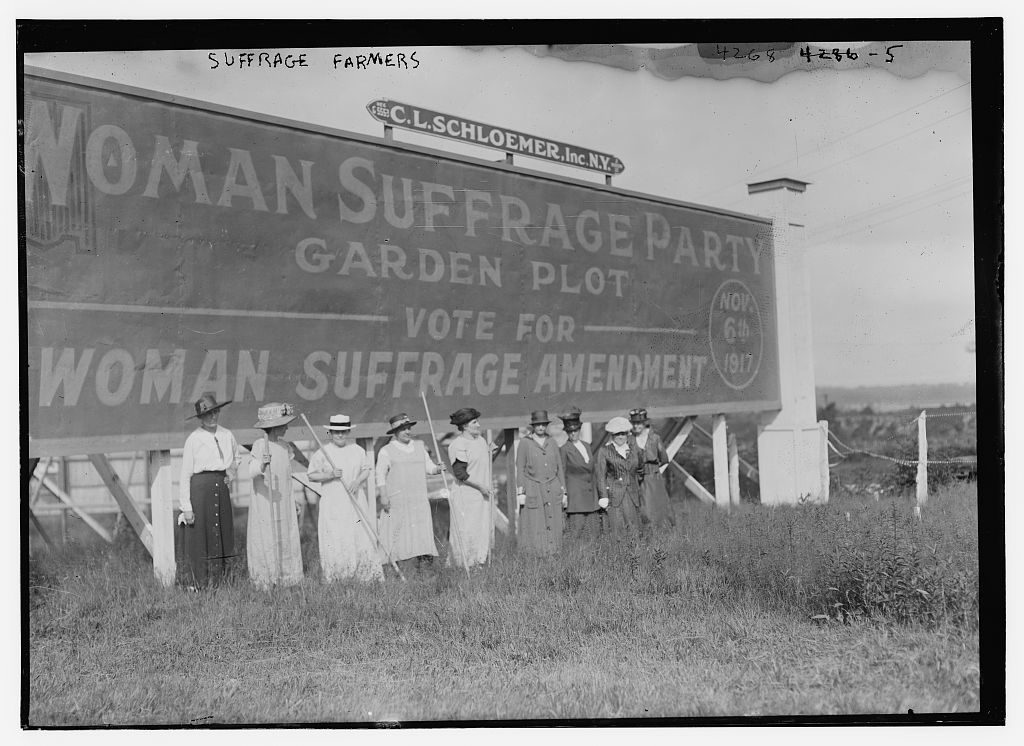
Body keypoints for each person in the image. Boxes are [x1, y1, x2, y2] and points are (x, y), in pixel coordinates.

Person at [178, 393, 246, 588]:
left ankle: (223, 581)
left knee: (223, 530)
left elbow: (236, 458)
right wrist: (187, 506)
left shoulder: (227, 434)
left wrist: (231, 473)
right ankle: (200, 581)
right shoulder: (194, 439)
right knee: (201, 534)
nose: (212, 417)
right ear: (200, 417)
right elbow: (185, 474)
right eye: (207, 414)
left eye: (215, 412)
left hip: (221, 486)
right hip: (200, 489)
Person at [307, 414, 383, 583]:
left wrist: (357, 481)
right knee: (336, 536)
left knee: (358, 535)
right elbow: (311, 475)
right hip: (333, 502)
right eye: (336, 432)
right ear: (331, 433)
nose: (340, 435)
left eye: (343, 431)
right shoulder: (323, 452)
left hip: (354, 501)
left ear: (348, 431)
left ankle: (364, 576)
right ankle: (338, 577)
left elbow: (366, 469)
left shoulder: (357, 450)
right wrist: (330, 474)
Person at [244, 403, 304, 588]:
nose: (287, 427)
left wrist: (292, 499)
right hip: (265, 500)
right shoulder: (260, 444)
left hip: (283, 500)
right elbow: (251, 471)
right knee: (268, 536)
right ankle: (267, 578)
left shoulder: (285, 447)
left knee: (285, 534)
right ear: (273, 426)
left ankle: (286, 575)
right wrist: (262, 464)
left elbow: (286, 477)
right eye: (283, 424)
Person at [376, 412, 443, 572]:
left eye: (408, 428)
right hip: (398, 501)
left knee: (421, 534)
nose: (407, 431)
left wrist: (438, 469)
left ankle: (424, 571)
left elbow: (429, 467)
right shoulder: (386, 450)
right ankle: (399, 571)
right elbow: (380, 475)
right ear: (395, 432)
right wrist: (383, 496)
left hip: (419, 500)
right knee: (399, 535)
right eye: (402, 429)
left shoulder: (420, 446)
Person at [446, 407, 493, 568]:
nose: (479, 425)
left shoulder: (481, 441)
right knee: (467, 530)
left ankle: (479, 563)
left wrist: (491, 451)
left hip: (482, 495)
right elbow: (460, 473)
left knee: (481, 529)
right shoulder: (458, 445)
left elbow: (480, 464)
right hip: (466, 496)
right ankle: (463, 565)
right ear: (465, 426)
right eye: (475, 422)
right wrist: (480, 486)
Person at [515, 410, 567, 555]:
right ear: (533, 426)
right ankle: (537, 555)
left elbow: (559, 467)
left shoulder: (552, 442)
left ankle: (554, 553)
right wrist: (521, 491)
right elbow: (520, 467)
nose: (540, 428)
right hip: (533, 488)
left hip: (552, 486)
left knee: (555, 522)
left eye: (543, 425)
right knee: (535, 522)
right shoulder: (525, 443)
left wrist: (564, 491)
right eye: (537, 425)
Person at [594, 416, 644, 537]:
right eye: (617, 434)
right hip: (615, 497)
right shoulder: (604, 451)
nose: (621, 437)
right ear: (612, 435)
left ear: (628, 434)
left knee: (635, 530)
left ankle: (636, 554)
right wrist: (603, 496)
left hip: (632, 495)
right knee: (618, 530)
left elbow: (641, 469)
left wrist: (635, 484)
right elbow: (601, 476)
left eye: (623, 434)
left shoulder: (634, 450)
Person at [559, 407, 601, 541]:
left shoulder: (586, 445)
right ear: (566, 432)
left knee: (594, 535)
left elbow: (593, 471)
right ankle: (574, 561)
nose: (573, 434)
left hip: (591, 499)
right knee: (576, 535)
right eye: (570, 431)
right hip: (576, 500)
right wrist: (564, 494)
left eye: (575, 430)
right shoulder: (564, 449)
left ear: (580, 429)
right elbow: (562, 472)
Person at [630, 407, 676, 528]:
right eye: (634, 423)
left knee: (660, 509)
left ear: (645, 423)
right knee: (644, 511)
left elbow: (664, 458)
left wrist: (653, 469)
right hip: (636, 480)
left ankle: (664, 535)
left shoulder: (655, 439)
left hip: (654, 479)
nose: (636, 426)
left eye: (639, 423)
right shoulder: (630, 440)